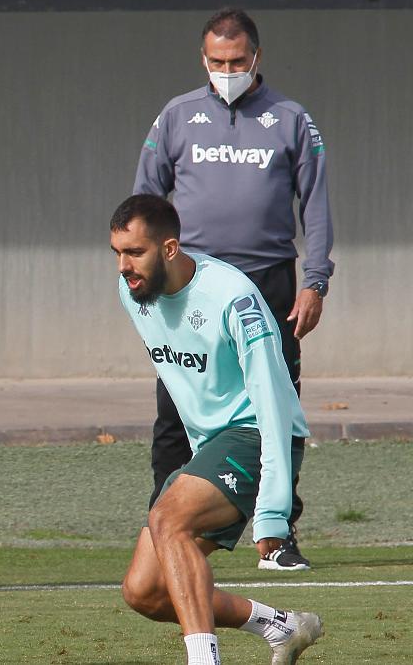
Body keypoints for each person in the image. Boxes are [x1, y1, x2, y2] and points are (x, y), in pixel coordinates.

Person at [133, 6, 333, 571]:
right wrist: (146, 269)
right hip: (191, 284)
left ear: (256, 58)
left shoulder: (292, 118)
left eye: (237, 60)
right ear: (204, 58)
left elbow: (315, 206)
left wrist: (315, 281)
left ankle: (278, 533)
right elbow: (146, 200)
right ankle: (162, 525)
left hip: (268, 281)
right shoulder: (176, 116)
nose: (227, 69)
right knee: (175, 405)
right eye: (217, 61)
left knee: (277, 407)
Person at [110, 194, 323, 665]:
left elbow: (272, 402)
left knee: (170, 520)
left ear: (169, 248)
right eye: (118, 254)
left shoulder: (232, 297)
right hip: (213, 445)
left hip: (258, 433)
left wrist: (273, 511)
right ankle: (281, 626)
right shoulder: (132, 291)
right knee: (144, 591)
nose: (124, 266)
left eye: (135, 252)